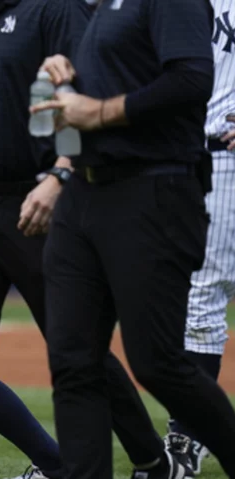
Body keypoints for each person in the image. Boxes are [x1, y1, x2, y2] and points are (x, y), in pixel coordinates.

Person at [0, 1, 188, 479]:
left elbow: (92, 93)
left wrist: (61, 174)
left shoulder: (54, 10)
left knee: (76, 349)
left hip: (42, 200)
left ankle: (151, 458)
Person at [29, 0, 235, 476]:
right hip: (85, 190)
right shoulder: (104, 8)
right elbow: (118, 82)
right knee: (74, 361)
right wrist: (67, 81)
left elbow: (190, 80)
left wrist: (98, 110)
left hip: (153, 189)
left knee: (158, 362)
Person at [166, 0, 235, 474]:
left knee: (201, 294)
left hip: (223, 155)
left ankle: (190, 435)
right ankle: (191, 432)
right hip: (184, 157)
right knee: (191, 295)